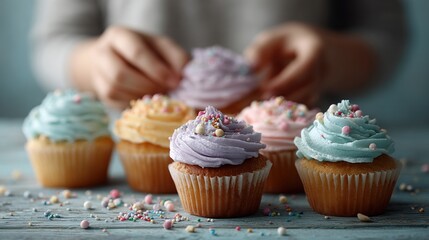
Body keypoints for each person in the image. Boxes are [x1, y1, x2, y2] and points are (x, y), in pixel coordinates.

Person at [31, 0, 407, 110]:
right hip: (134, 146)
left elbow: (387, 34)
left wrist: (331, 57)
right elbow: (53, 40)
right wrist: (94, 64)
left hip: (297, 148)